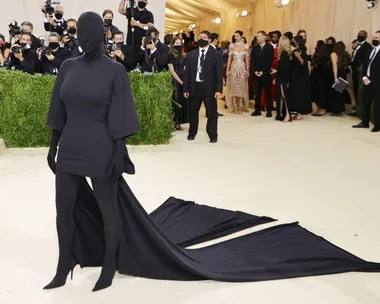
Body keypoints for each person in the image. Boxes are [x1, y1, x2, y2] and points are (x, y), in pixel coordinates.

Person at [43, 11, 141, 292]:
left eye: (90, 36)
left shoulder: (115, 70)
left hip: (101, 148)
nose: (84, 41)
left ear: (102, 35)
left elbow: (122, 114)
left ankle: (109, 264)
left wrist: (118, 152)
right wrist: (52, 147)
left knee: (108, 209)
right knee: (63, 210)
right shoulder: (68, 67)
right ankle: (65, 263)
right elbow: (58, 109)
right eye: (80, 36)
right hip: (70, 147)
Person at [183, 30, 223, 143]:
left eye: (204, 38)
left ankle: (213, 135)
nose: (201, 39)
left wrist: (218, 90)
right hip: (194, 87)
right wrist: (185, 88)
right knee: (193, 112)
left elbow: (219, 74)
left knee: (211, 113)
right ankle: (192, 133)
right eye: (200, 37)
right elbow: (187, 74)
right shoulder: (191, 55)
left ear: (209, 40)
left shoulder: (216, 54)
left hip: (209, 89)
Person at [353, 30, 380, 132]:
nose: (374, 40)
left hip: (377, 83)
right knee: (365, 102)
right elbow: (365, 65)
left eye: (376, 38)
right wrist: (364, 77)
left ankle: (377, 125)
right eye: (373, 38)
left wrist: (372, 79)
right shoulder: (370, 50)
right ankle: (364, 122)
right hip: (366, 80)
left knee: (377, 105)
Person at [250, 30, 274, 117]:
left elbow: (270, 60)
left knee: (268, 92)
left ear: (264, 37)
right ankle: (257, 110)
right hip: (256, 74)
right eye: (257, 36)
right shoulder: (255, 48)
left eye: (259, 36)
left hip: (266, 73)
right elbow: (252, 61)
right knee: (257, 93)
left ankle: (269, 110)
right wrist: (255, 71)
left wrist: (263, 71)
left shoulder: (269, 47)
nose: (258, 38)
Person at [225, 30, 250, 114]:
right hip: (233, 68)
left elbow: (247, 60)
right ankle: (234, 107)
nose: (236, 37)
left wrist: (248, 70)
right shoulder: (231, 46)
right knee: (234, 87)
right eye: (235, 36)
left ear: (241, 36)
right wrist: (227, 70)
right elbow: (229, 60)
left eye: (237, 36)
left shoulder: (246, 46)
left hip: (242, 68)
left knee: (241, 87)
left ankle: (240, 107)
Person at [288, 35, 312, 120]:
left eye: (295, 41)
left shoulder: (303, 52)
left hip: (301, 75)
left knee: (300, 93)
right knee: (294, 92)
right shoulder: (294, 50)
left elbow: (303, 63)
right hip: (294, 74)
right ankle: (295, 110)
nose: (294, 43)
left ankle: (300, 112)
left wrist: (298, 56)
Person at [168, 36, 189, 130]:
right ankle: (174, 122)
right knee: (175, 100)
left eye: (180, 43)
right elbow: (171, 70)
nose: (178, 45)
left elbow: (185, 68)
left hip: (183, 78)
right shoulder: (170, 54)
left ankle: (179, 123)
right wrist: (180, 81)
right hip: (175, 79)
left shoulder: (184, 55)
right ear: (173, 44)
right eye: (176, 43)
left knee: (181, 100)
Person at [351, 30, 373, 115]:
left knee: (359, 90)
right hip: (355, 70)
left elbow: (366, 59)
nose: (360, 36)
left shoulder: (367, 46)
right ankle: (356, 107)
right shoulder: (357, 45)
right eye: (359, 34)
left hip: (360, 71)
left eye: (362, 35)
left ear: (366, 36)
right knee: (355, 89)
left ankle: (360, 109)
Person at [260, 30, 281, 111]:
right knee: (265, 88)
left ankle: (270, 104)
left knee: (273, 88)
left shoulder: (279, 46)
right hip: (267, 68)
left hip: (276, 69)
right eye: (273, 37)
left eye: (276, 37)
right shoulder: (267, 45)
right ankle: (262, 104)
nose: (275, 38)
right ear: (270, 37)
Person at [330, 42, 351, 116]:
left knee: (336, 92)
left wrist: (335, 77)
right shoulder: (345, 54)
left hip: (337, 73)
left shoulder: (333, 54)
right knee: (340, 91)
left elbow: (334, 65)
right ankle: (340, 109)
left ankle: (336, 110)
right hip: (343, 73)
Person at [275, 36, 292, 122]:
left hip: (282, 77)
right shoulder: (286, 53)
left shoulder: (284, 53)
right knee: (282, 95)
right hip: (283, 76)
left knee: (284, 95)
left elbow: (284, 67)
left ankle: (288, 115)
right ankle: (282, 114)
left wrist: (276, 70)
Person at [311, 40, 330, 116]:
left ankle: (319, 108)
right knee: (321, 92)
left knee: (316, 92)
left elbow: (314, 64)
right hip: (323, 75)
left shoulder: (318, 54)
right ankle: (320, 108)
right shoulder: (326, 54)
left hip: (317, 75)